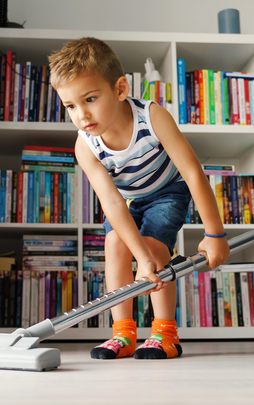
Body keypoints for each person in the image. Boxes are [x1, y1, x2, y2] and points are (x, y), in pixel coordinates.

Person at [49, 37, 229, 359]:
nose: (81, 115)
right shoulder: (85, 146)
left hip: (167, 191)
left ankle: (165, 334)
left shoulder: (152, 117)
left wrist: (214, 235)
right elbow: (113, 203)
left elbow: (192, 173)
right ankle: (124, 335)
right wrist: (138, 258)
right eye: (71, 106)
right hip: (128, 201)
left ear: (120, 89)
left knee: (155, 250)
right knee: (114, 244)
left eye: (90, 98)